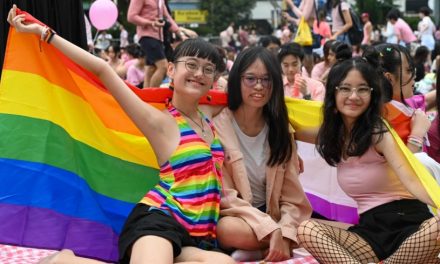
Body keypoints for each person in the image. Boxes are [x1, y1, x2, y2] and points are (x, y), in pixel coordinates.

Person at [7, 5, 235, 264]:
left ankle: (67, 261)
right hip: (158, 222)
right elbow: (103, 71)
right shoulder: (158, 121)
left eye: (207, 69)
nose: (198, 74)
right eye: (191, 65)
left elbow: (248, 90)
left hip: (195, 236)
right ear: (170, 70)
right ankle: (63, 261)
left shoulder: (209, 115)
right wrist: (44, 33)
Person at [297, 56, 440, 263]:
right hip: (370, 234)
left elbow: (411, 179)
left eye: (362, 89)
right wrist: (291, 153)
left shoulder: (378, 132)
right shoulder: (332, 133)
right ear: (334, 93)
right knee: (306, 229)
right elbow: (287, 127)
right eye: (345, 88)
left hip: (410, 226)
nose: (353, 96)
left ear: (371, 94)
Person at [213, 46, 312, 262]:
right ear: (237, 80)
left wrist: (284, 230)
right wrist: (270, 230)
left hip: (274, 215)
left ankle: (270, 247)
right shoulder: (218, 127)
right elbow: (226, 197)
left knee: (308, 228)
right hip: (241, 218)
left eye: (266, 80)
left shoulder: (281, 128)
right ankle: (278, 244)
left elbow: (293, 197)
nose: (259, 86)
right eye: (250, 78)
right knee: (226, 229)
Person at [127, 0, 184, 88]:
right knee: (163, 67)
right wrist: (151, 23)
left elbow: (167, 17)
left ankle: (145, 96)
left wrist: (179, 33)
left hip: (158, 38)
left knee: (150, 69)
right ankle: (153, 95)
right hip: (147, 36)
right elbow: (131, 16)